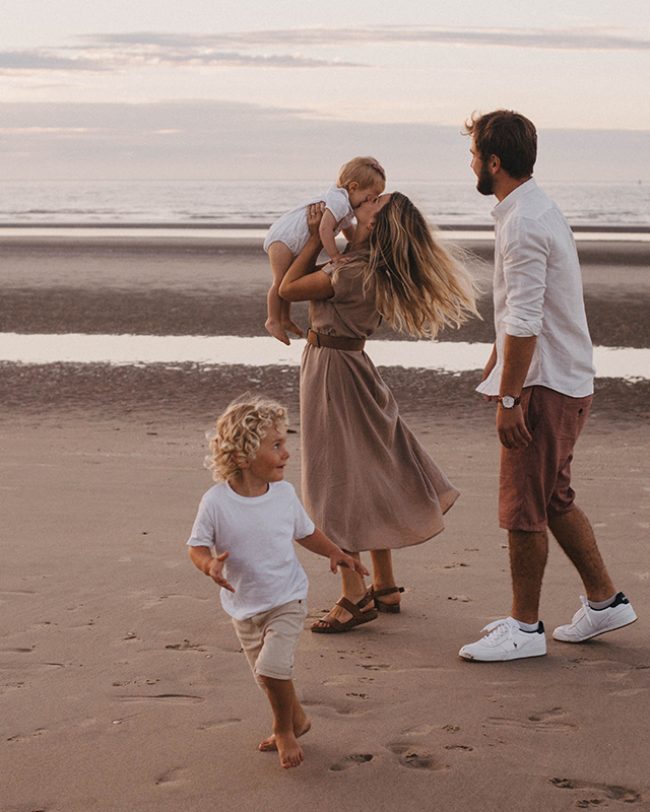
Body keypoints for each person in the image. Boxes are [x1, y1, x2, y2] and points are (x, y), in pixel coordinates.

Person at [458, 109, 637, 662]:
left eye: (474, 156)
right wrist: (497, 369)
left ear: (493, 161)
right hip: (563, 377)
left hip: (545, 386)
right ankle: (604, 602)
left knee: (522, 508)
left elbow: (526, 321)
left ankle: (524, 628)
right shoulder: (531, 210)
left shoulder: (525, 222)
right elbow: (518, 308)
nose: (471, 165)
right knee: (553, 497)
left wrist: (511, 398)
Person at [279, 192, 478, 632]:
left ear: (376, 222)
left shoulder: (349, 271)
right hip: (355, 367)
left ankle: (354, 595)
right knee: (367, 471)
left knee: (334, 481)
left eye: (371, 202)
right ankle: (384, 585)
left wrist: (314, 239)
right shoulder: (370, 265)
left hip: (333, 372)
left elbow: (287, 289)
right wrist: (342, 233)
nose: (360, 201)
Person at [185, 396, 368, 768]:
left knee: (272, 669)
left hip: (287, 598)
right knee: (267, 678)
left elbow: (306, 532)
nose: (287, 453)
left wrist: (335, 552)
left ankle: (283, 729)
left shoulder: (283, 494)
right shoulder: (216, 502)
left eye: (285, 443)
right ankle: (297, 718)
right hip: (244, 608)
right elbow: (196, 546)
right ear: (241, 456)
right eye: (276, 446)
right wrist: (208, 566)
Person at [263, 156, 386, 345]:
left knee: (285, 278)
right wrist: (335, 255)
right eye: (370, 196)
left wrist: (355, 248)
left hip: (292, 239)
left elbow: (347, 230)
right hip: (284, 239)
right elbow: (323, 229)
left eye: (375, 199)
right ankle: (273, 319)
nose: (370, 200)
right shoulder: (339, 202)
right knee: (279, 282)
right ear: (353, 187)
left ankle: (285, 318)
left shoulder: (345, 205)